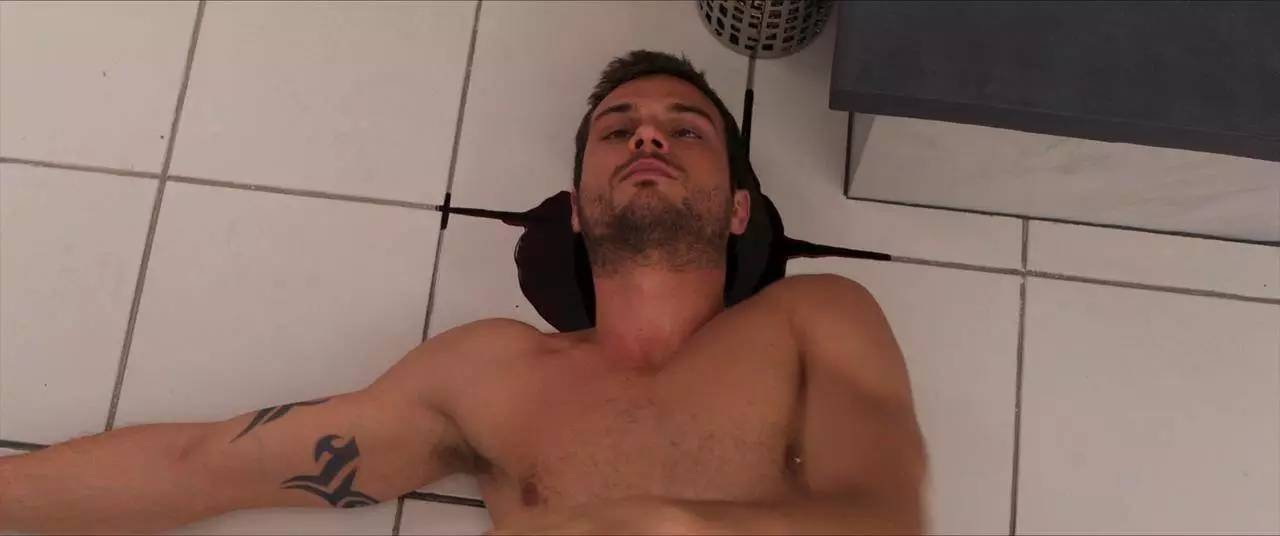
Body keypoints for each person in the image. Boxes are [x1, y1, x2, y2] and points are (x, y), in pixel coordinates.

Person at [0, 50, 926, 535]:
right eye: (618, 130)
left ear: (737, 209)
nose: (648, 137)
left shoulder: (814, 319)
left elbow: (885, 522)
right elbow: (199, 466)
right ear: (576, 211)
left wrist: (662, 525)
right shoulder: (489, 376)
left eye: (686, 130)